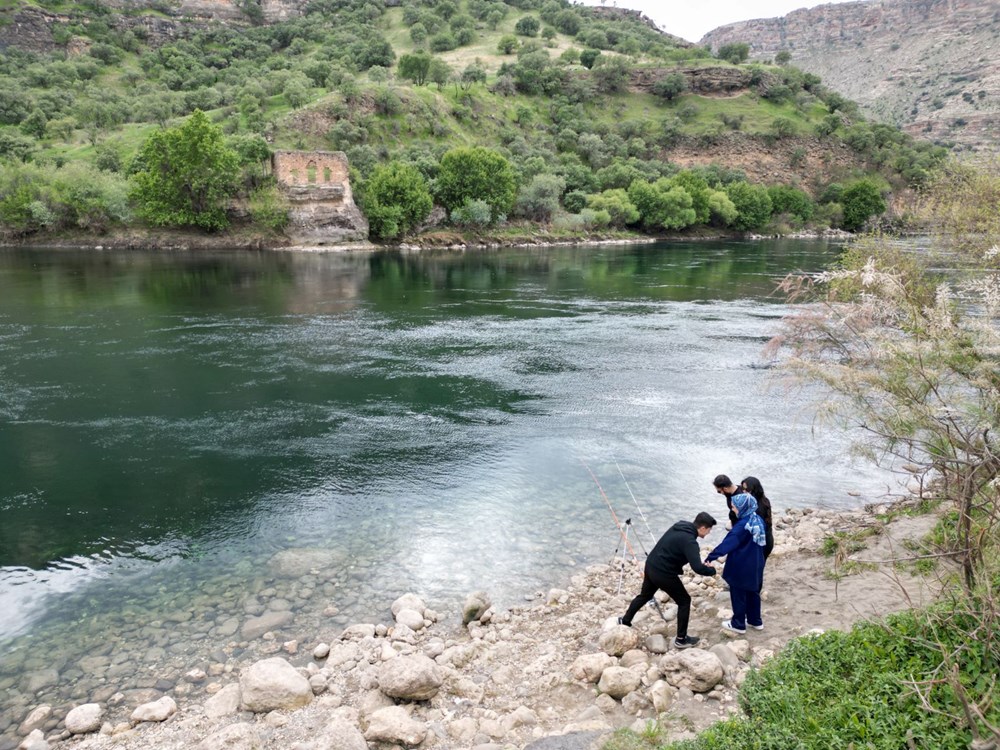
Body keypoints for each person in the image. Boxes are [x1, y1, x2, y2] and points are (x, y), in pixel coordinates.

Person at [619, 512, 717, 649]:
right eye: (709, 530)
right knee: (684, 601)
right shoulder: (690, 541)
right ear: (703, 528)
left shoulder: (679, 526)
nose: (708, 533)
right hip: (663, 573)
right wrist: (712, 570)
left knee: (645, 595)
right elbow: (697, 568)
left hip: (651, 564)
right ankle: (681, 639)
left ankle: (625, 621)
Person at [706, 491, 766, 635]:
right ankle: (755, 621)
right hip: (756, 562)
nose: (733, 509)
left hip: (742, 564)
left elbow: (729, 543)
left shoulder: (742, 526)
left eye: (734, 507)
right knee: (753, 592)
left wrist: (711, 557)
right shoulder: (758, 519)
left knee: (738, 592)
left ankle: (738, 624)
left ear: (743, 507)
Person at [740, 476, 774, 561]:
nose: (743, 492)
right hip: (767, 539)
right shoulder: (765, 500)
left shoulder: (756, 507)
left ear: (754, 490)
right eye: (742, 489)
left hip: (760, 543)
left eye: (746, 490)